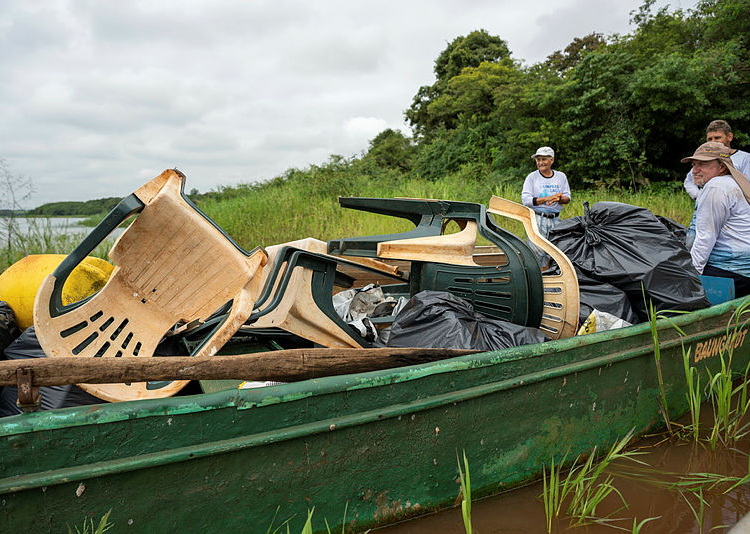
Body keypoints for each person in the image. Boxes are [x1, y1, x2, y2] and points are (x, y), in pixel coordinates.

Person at [681, 142, 750, 297]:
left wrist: (692, 277)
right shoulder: (733, 183)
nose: (695, 170)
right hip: (743, 270)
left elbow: (705, 238)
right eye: (694, 164)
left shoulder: (715, 187)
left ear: (722, 167)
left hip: (730, 272)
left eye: (703, 164)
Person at [684, 120, 750, 248]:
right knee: (693, 241)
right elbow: (689, 181)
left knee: (724, 247)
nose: (713, 141)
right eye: (710, 138)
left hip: (732, 215)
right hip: (703, 211)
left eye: (718, 137)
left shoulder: (744, 159)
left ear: (729, 137)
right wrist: (699, 196)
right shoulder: (704, 158)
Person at [521, 146, 571, 269]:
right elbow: (526, 200)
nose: (540, 162)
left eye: (543, 159)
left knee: (554, 251)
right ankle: (537, 281)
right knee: (536, 250)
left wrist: (559, 198)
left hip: (555, 219)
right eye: (538, 160)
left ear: (551, 160)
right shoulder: (532, 177)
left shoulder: (561, 176)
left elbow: (567, 198)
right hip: (538, 218)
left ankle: (553, 284)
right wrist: (547, 198)